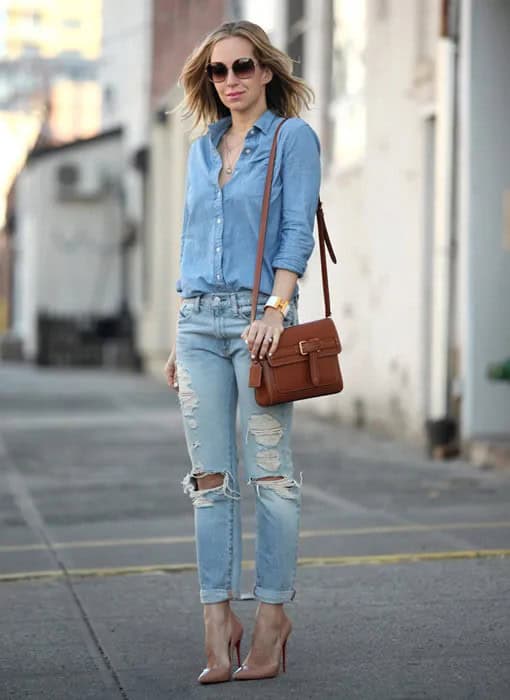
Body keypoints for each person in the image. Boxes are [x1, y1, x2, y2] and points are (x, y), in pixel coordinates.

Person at [163, 20, 321, 684]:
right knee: (210, 484)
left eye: (244, 67)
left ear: (267, 72)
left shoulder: (291, 139)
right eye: (219, 72)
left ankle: (274, 616)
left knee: (271, 478)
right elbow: (192, 244)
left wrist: (276, 311)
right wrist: (179, 334)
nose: (232, 81)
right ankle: (217, 619)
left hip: (261, 324)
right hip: (198, 324)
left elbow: (294, 228)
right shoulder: (201, 149)